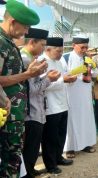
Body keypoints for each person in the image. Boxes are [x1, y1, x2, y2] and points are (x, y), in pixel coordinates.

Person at [0, 1, 48, 177]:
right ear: (12, 21)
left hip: (12, 115)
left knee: (13, 163)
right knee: (9, 164)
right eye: (26, 27)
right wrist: (28, 74)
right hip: (6, 118)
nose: (27, 32)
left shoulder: (8, 42)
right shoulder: (1, 42)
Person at [21, 28, 62, 178]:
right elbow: (31, 90)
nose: (44, 49)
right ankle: (27, 172)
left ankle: (30, 169)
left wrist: (45, 76)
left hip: (37, 110)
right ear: (32, 42)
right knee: (30, 147)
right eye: (42, 45)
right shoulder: (25, 60)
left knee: (33, 146)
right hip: (31, 112)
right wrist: (48, 79)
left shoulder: (31, 58)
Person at [41, 37, 76, 174]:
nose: (61, 54)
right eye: (58, 51)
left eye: (62, 51)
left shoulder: (59, 61)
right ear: (48, 49)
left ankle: (58, 157)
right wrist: (63, 80)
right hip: (50, 106)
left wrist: (68, 78)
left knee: (61, 134)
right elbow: (43, 85)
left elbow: (61, 78)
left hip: (62, 104)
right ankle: (50, 165)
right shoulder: (42, 62)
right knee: (50, 138)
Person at [61, 35, 97, 158]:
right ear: (74, 45)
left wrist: (93, 67)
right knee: (71, 120)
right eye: (82, 47)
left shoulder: (87, 57)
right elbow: (62, 75)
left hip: (85, 94)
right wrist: (78, 70)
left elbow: (95, 74)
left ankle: (86, 144)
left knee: (86, 118)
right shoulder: (65, 58)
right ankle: (70, 148)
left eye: (86, 47)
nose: (84, 50)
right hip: (71, 94)